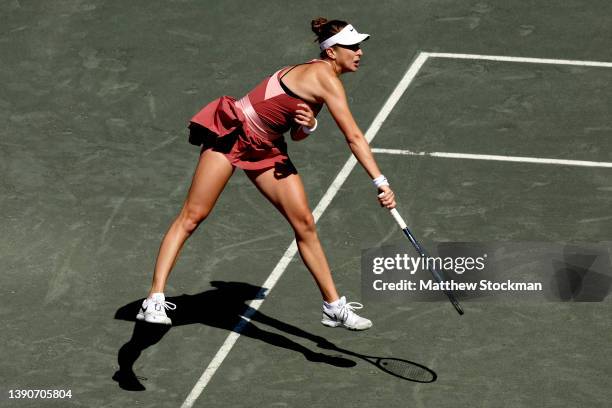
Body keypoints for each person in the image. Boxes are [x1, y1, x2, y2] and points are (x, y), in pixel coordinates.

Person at [137, 17, 396, 331]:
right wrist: (380, 182)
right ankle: (154, 299)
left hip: (267, 149)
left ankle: (333, 307)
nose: (359, 53)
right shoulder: (325, 78)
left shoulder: (320, 75)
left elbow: (298, 132)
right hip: (234, 134)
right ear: (331, 52)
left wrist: (308, 125)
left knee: (304, 223)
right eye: (352, 47)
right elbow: (354, 137)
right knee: (193, 215)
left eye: (359, 47)